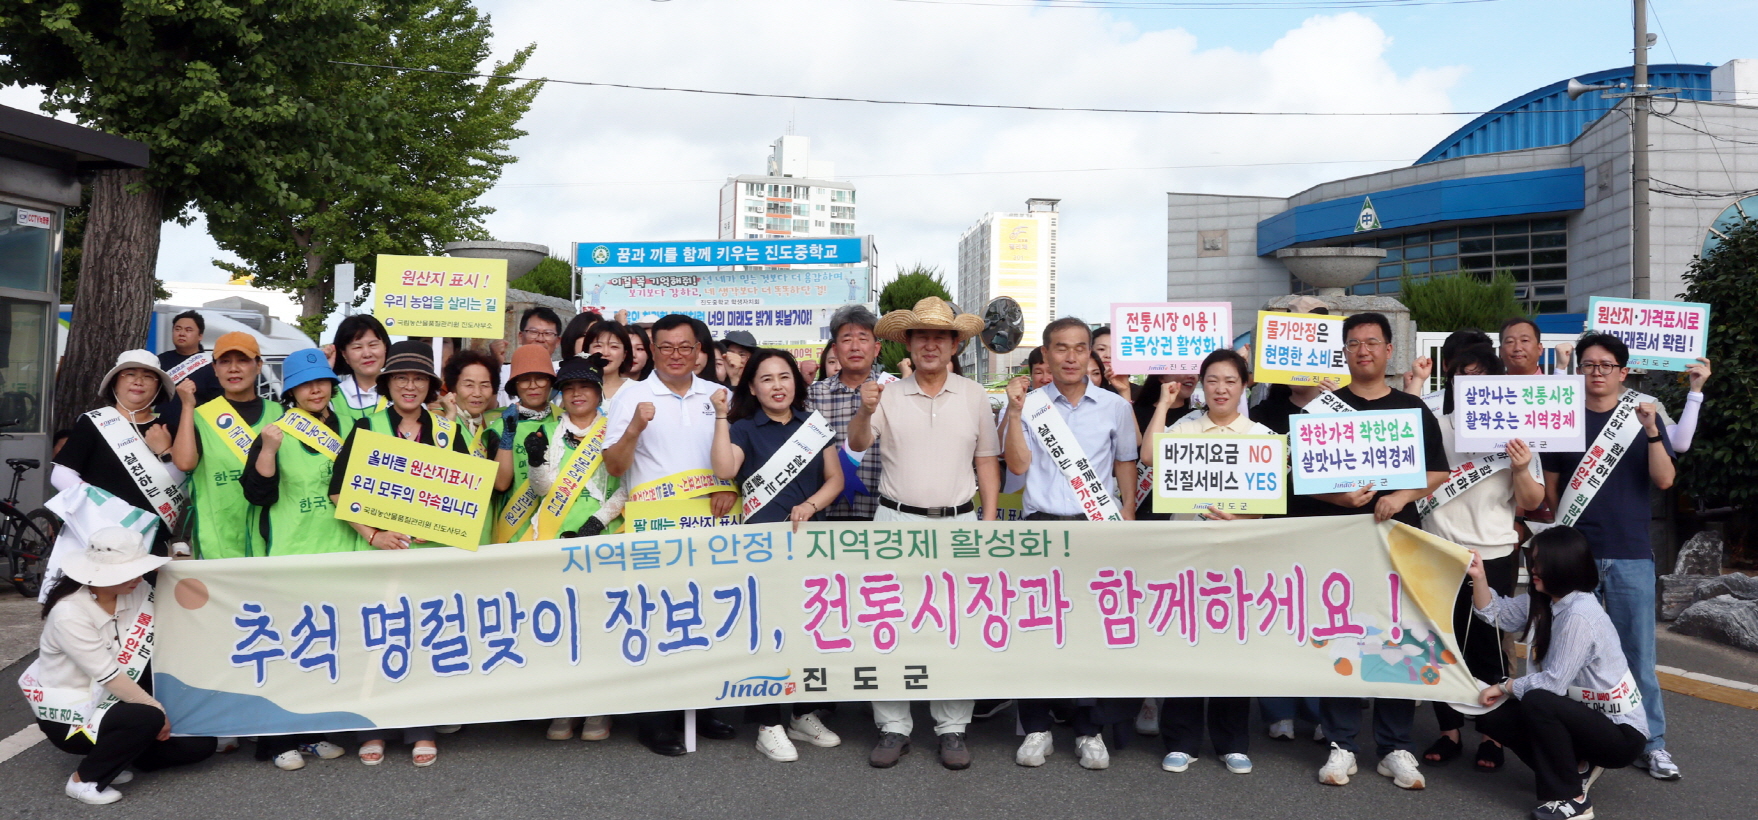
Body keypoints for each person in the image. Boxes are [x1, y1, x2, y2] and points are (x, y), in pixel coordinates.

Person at [848, 296, 1000, 771]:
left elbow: (986, 461)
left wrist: (989, 521)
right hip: (895, 521)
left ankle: (952, 726)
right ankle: (893, 726)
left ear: (955, 344)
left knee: (955, 623)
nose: (930, 344)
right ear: (907, 343)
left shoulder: (974, 395)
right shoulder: (886, 393)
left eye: (940, 336)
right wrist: (862, 408)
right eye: (921, 336)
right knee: (889, 623)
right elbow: (857, 446)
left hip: (959, 521)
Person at [1305, 312, 1449, 791]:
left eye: (1372, 342)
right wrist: (1339, 498)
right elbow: (1298, 481)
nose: (1362, 350)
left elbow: (1437, 473)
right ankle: (1341, 742)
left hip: (1397, 543)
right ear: (1343, 353)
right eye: (1353, 343)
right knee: (1343, 634)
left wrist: (1402, 496)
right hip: (1340, 542)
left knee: (1400, 638)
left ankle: (1394, 746)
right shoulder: (1323, 409)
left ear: (1390, 351)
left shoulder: (1412, 407)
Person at [1539, 332, 1679, 780]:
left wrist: (1653, 430)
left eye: (1605, 365)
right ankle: (1582, 740)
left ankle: (1651, 742)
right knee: (1569, 655)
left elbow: (1665, 480)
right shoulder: (1564, 420)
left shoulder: (1640, 418)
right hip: (1575, 557)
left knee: (1638, 654)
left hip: (1631, 553)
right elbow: (1553, 494)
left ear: (1623, 371)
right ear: (1578, 369)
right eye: (1588, 365)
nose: (1596, 373)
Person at [327, 340, 473, 767]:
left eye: (418, 379)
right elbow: (337, 492)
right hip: (378, 553)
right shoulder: (366, 428)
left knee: (424, 636)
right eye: (401, 377)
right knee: (377, 636)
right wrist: (374, 535)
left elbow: (466, 493)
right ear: (387, 383)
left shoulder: (448, 431)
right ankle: (374, 727)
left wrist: (442, 523)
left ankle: (421, 727)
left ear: (430, 386)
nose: (409, 386)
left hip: (429, 555)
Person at [603, 314, 741, 756]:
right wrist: (635, 428)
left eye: (686, 347)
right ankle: (656, 719)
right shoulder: (633, 396)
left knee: (708, 613)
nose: (677, 356)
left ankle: (702, 708)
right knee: (658, 616)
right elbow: (614, 466)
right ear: (652, 349)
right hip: (654, 527)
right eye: (666, 348)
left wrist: (727, 487)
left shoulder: (720, 396)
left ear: (700, 350)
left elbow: (736, 455)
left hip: (711, 523)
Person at [1002, 317, 1137, 771]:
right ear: (1046, 354)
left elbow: (1125, 465)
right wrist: (1017, 413)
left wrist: (1128, 523)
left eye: (1081, 348)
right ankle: (1036, 726)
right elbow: (1017, 468)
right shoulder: (1028, 405)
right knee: (1036, 628)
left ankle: (1088, 729)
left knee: (1089, 632)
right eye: (1061, 348)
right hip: (1038, 527)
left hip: (1095, 528)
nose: (1072, 356)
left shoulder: (1114, 406)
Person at [710, 348, 845, 762]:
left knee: (807, 629)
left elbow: (835, 479)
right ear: (752, 386)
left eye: (784, 377)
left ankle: (802, 715)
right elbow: (724, 470)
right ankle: (768, 723)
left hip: (809, 543)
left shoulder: (813, 425)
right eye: (766, 379)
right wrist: (720, 416)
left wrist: (811, 506)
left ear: (796, 382)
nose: (777, 386)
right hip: (761, 547)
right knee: (768, 635)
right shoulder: (744, 427)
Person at [1417, 343, 1542, 772]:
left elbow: (1532, 499)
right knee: (1442, 644)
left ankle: (1493, 735)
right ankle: (1447, 730)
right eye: (1462, 377)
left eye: (1481, 377)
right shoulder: (1435, 425)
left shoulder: (1518, 433)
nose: (1472, 384)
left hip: (1495, 554)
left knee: (1490, 648)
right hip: (1439, 550)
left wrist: (1523, 468)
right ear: (1452, 381)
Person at [1470, 527, 1652, 820]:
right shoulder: (1543, 601)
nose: (1533, 569)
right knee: (1492, 716)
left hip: (1619, 734)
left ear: (1564, 565)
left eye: (1540, 563)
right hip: (1580, 717)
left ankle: (1572, 798)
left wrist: (1505, 686)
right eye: (1532, 561)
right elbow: (1496, 614)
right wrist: (1479, 576)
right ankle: (1576, 767)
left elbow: (1552, 684)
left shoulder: (1579, 614)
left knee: (1537, 701)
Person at [1148, 349, 1272, 776]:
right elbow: (1149, 458)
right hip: (1186, 552)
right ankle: (1181, 740)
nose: (1221, 389)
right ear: (1201, 384)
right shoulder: (1186, 426)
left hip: (1237, 557)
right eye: (1213, 380)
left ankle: (1232, 741)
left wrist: (1244, 516)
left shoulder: (1259, 436)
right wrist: (1164, 404)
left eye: (1230, 381)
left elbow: (1271, 504)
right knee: (1185, 643)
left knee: (1231, 647)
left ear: (1245, 387)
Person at [26, 528, 213, 805]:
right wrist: (159, 713)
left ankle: (121, 755)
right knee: (148, 718)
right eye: (131, 571)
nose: (139, 577)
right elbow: (109, 676)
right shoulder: (69, 613)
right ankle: (84, 780)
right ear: (102, 574)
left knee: (200, 745)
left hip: (120, 703)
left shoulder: (135, 590)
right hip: (73, 716)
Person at [237, 349, 357, 768]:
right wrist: (268, 449)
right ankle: (275, 740)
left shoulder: (350, 428)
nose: (316, 389)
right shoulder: (275, 431)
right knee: (287, 648)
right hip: (291, 555)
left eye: (322, 381)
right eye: (306, 384)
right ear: (291, 391)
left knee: (325, 647)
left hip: (340, 552)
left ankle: (313, 732)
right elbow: (256, 494)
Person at [531, 354, 625, 744]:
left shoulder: (613, 431)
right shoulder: (551, 433)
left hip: (602, 533)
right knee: (562, 621)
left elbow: (626, 485)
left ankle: (599, 706)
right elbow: (543, 489)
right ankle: (565, 704)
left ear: (598, 392)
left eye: (584, 387)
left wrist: (597, 522)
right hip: (556, 534)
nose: (576, 394)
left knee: (599, 620)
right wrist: (536, 463)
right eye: (569, 389)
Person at [49, 351, 185, 563]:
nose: (138, 381)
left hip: (151, 537)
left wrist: (164, 451)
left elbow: (178, 486)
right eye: (129, 374)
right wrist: (109, 510)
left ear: (158, 386)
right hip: (99, 536)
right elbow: (61, 474)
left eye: (148, 376)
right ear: (114, 382)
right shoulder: (93, 423)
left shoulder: (168, 428)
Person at [171, 332, 283, 560]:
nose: (233, 369)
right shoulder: (200, 415)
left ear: (259, 365)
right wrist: (187, 407)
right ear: (215, 369)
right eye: (225, 362)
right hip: (217, 542)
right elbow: (184, 462)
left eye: (243, 360)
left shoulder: (279, 414)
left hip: (273, 539)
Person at [805, 305, 892, 523]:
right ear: (834, 349)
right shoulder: (813, 395)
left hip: (884, 513)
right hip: (825, 513)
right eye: (846, 340)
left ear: (876, 348)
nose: (855, 347)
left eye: (863, 339)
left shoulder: (894, 391)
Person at [492, 345, 558, 543]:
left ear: (550, 383)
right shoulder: (500, 425)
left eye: (540, 378)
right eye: (524, 380)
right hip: (517, 533)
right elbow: (501, 484)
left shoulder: (566, 420)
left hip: (560, 526)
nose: (533, 385)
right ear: (515, 385)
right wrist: (507, 435)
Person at [326, 314, 391, 429]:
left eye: (373, 345)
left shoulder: (403, 391)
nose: (367, 354)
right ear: (344, 354)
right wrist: (324, 371)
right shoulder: (330, 398)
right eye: (357, 347)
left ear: (385, 347)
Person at [155, 309, 221, 409]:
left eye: (188, 330)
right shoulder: (159, 360)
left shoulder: (211, 366)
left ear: (200, 336)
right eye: (177, 329)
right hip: (160, 423)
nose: (181, 333)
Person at [497, 306, 563, 392]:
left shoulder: (564, 374)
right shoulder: (501, 373)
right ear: (520, 337)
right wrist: (496, 365)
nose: (540, 339)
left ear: (557, 341)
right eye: (533, 332)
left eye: (548, 333)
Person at [586, 321, 635, 404]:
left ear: (624, 354)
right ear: (586, 351)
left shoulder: (637, 389)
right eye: (598, 346)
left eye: (614, 347)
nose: (605, 353)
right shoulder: (573, 390)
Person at [1090, 325, 1137, 398]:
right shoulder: (1080, 388)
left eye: (1115, 350)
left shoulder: (1141, 394)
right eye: (1101, 349)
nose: (1108, 355)